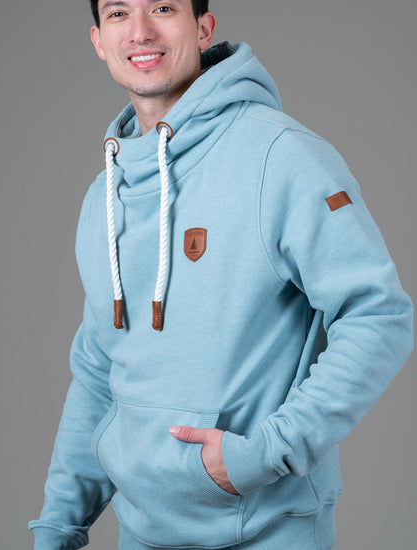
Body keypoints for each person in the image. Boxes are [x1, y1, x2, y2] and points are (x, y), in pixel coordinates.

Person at [28, 1, 413, 549]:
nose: (140, 31)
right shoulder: (105, 197)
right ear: (98, 40)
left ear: (203, 28)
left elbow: (379, 314)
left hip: (265, 529)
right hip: (140, 532)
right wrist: (57, 527)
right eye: (118, 13)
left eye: (163, 7)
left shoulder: (280, 156)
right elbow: (98, 371)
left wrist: (266, 452)